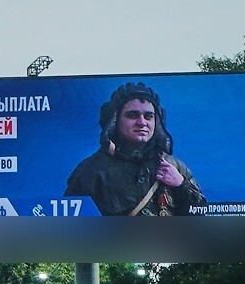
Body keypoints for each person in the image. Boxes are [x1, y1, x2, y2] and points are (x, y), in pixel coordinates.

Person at [64, 82, 205, 215]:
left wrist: (181, 185)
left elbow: (201, 215)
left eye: (148, 116)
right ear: (114, 120)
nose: (142, 122)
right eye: (132, 115)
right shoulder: (91, 171)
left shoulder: (174, 166)